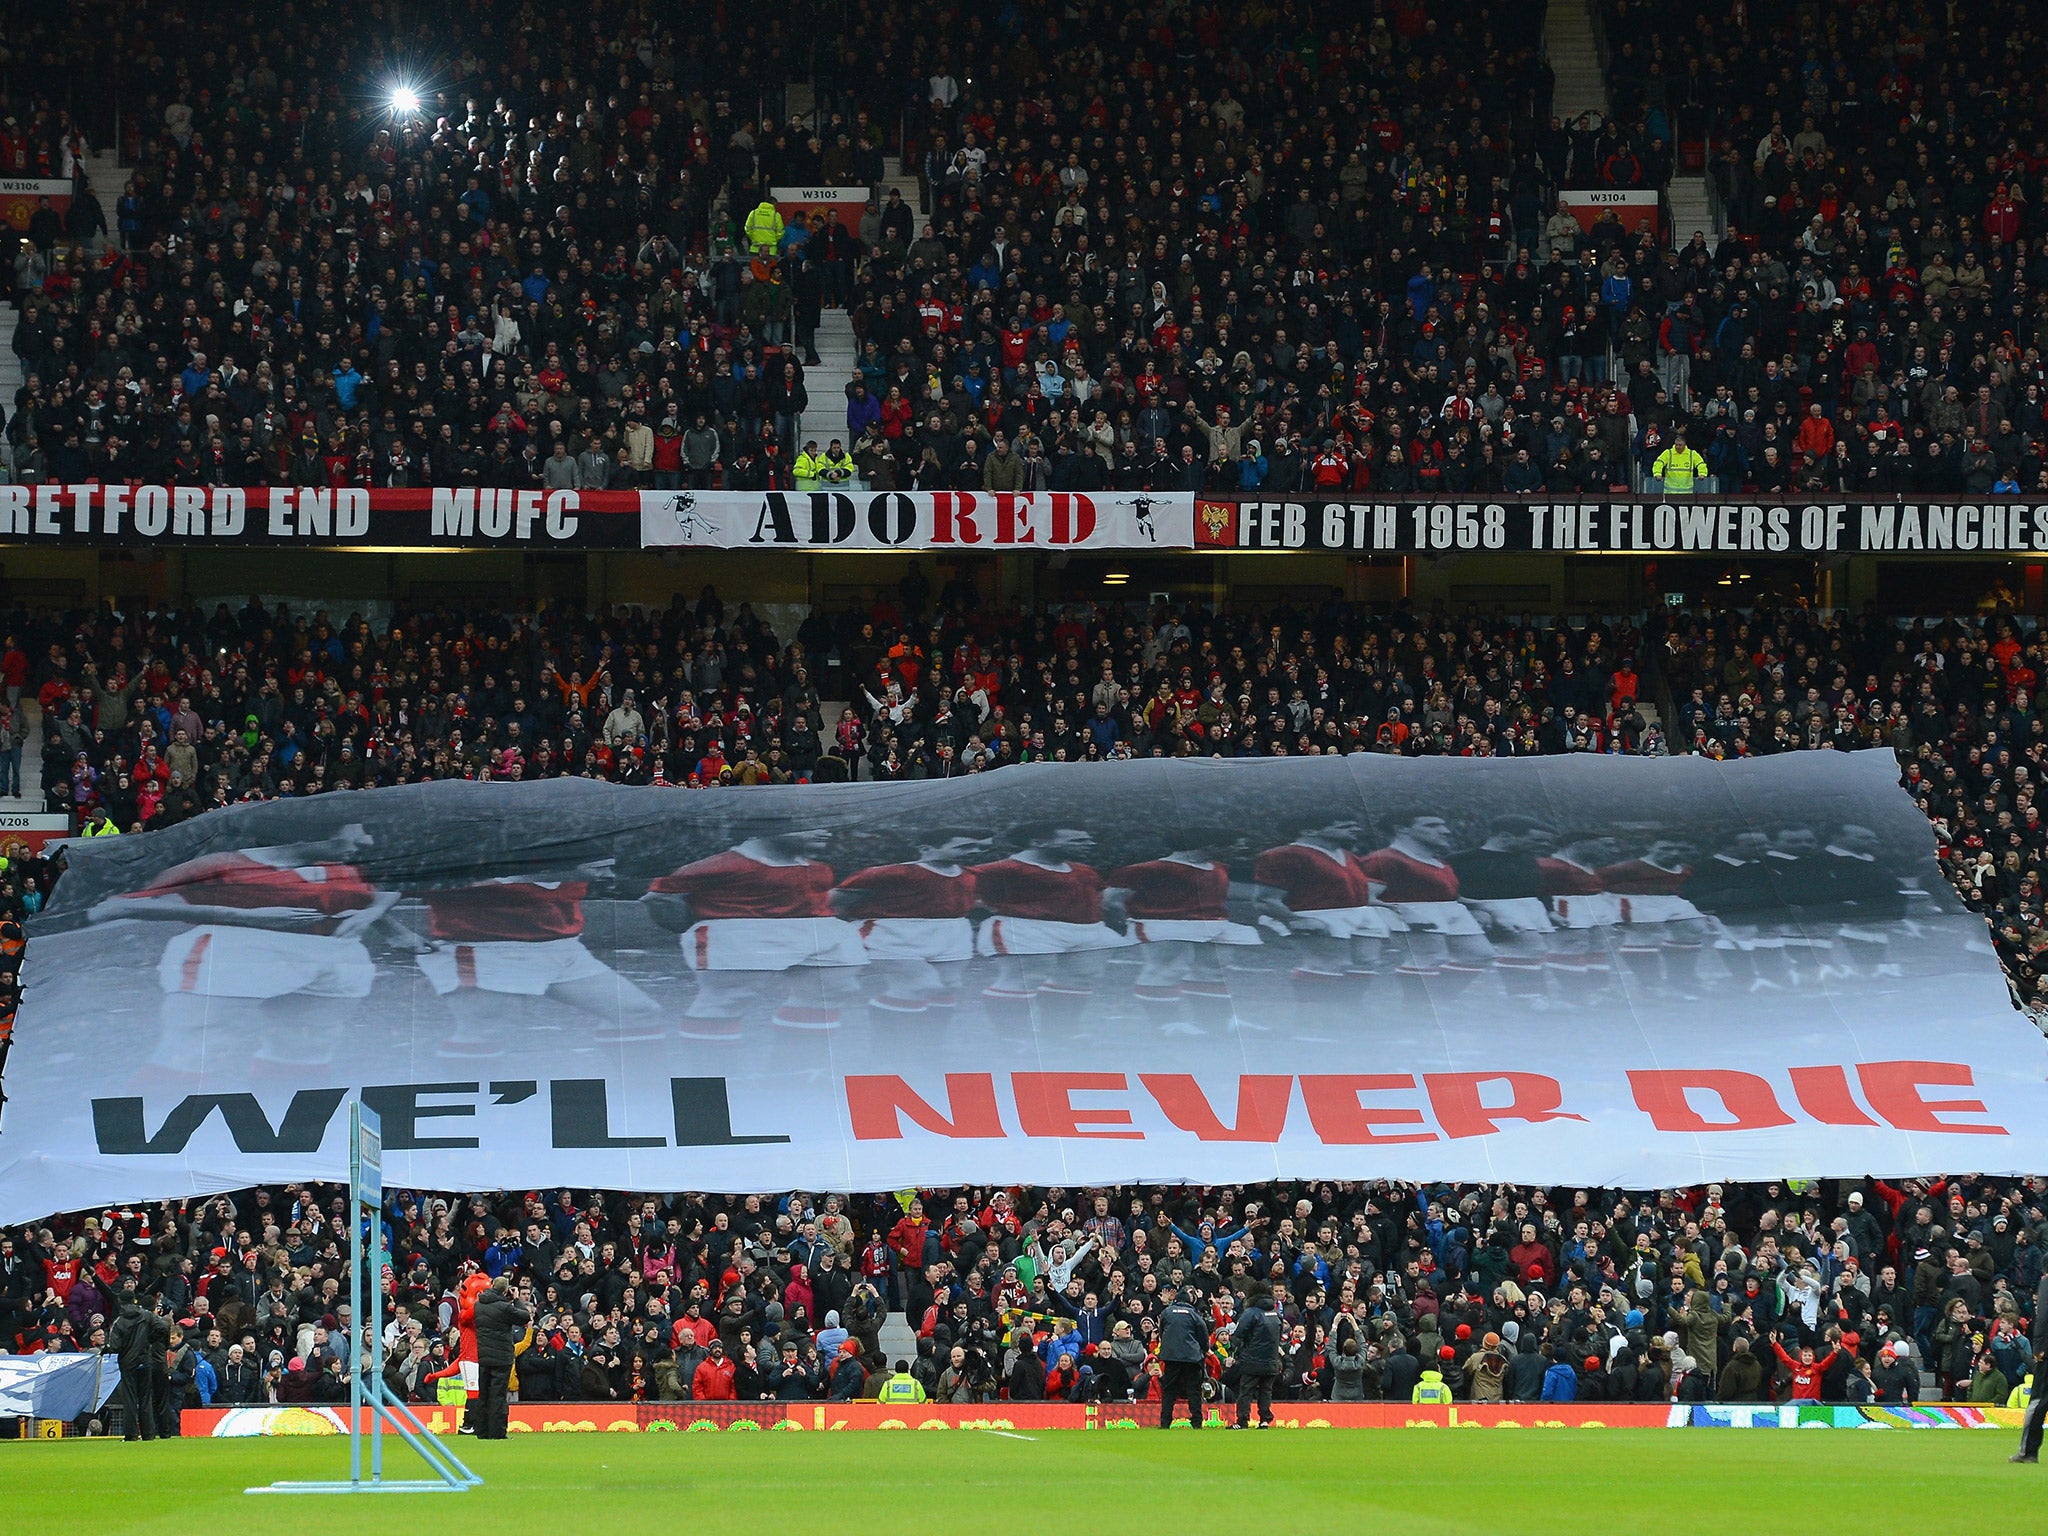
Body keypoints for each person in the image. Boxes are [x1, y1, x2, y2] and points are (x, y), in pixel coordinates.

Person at [471, 1275, 529, 1439]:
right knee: (498, 1396)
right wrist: (516, 1300)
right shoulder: (504, 1307)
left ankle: (482, 1431)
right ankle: (497, 1432)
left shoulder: (478, 1305)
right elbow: (524, 1317)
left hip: (483, 1355)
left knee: (484, 1394)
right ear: (505, 1290)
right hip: (501, 1356)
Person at [1157, 1283, 1208, 1428]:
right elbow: (1203, 1335)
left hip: (1171, 1357)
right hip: (1191, 1358)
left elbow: (1162, 1332)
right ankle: (1197, 1421)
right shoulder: (1194, 1314)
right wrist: (1203, 1349)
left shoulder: (1167, 1312)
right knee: (1194, 1390)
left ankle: (1165, 1421)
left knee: (1169, 1390)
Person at [1230, 1285, 1282, 1427]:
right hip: (1271, 1360)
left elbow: (1239, 1334)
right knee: (1266, 1391)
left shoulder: (1251, 1313)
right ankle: (1265, 1420)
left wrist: (1237, 1350)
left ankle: (1242, 1421)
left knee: (1246, 1391)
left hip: (1252, 1360)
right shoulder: (1275, 1313)